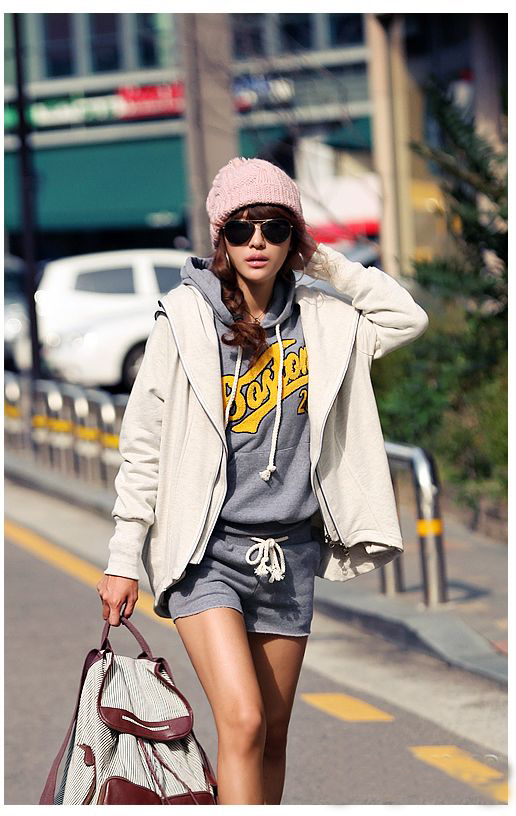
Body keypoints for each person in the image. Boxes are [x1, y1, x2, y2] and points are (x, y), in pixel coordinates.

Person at [96, 156, 429, 805]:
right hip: (207, 554)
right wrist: (122, 557)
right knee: (244, 721)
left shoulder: (323, 322)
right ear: (220, 237)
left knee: (272, 735)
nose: (257, 242)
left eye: (274, 229)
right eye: (242, 228)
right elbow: (143, 448)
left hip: (289, 553)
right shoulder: (184, 320)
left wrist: (321, 261)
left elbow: (405, 317)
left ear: (291, 238)